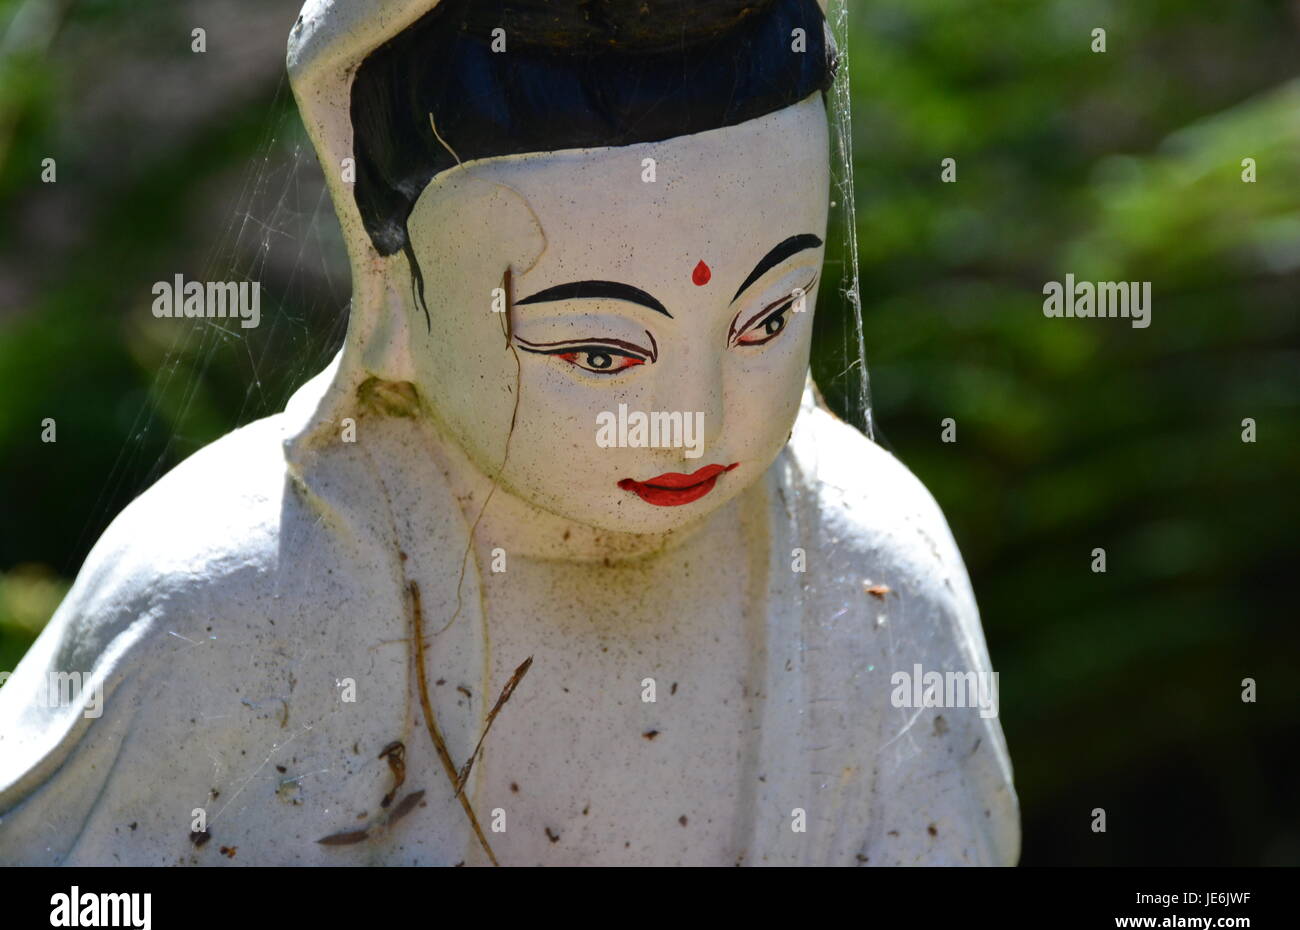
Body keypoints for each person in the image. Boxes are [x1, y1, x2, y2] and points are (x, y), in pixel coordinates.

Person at [0, 0, 1018, 865]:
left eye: (766, 320)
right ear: (396, 282)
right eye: (599, 352)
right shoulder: (226, 612)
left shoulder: (873, 581)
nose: (695, 425)